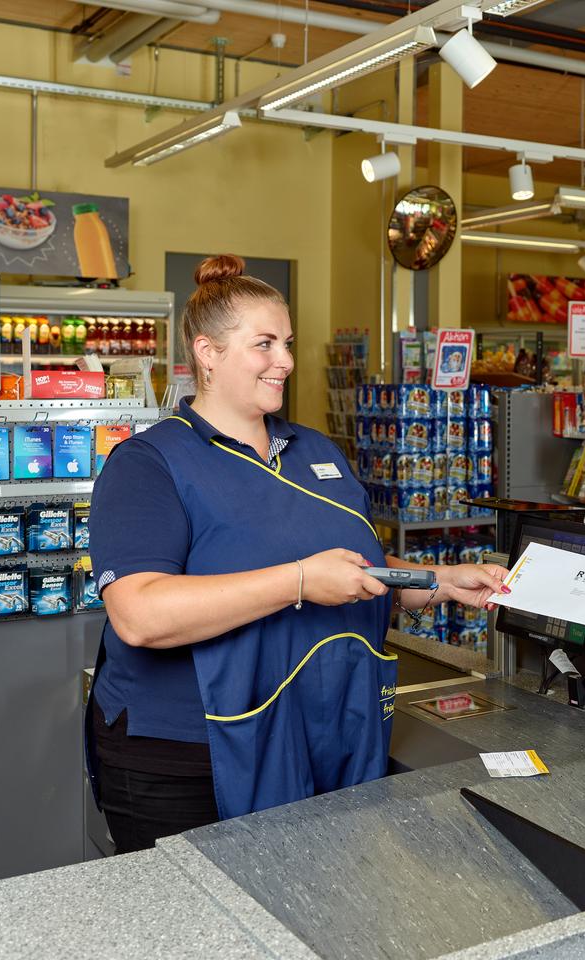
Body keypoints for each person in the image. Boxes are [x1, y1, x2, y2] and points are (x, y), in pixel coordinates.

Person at [86, 254, 509, 853]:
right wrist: (300, 581)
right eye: (264, 344)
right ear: (207, 352)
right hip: (186, 755)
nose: (284, 361)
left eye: (286, 343)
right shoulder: (149, 463)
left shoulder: (315, 450)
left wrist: (439, 580)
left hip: (319, 730)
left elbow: (362, 574)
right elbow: (140, 614)